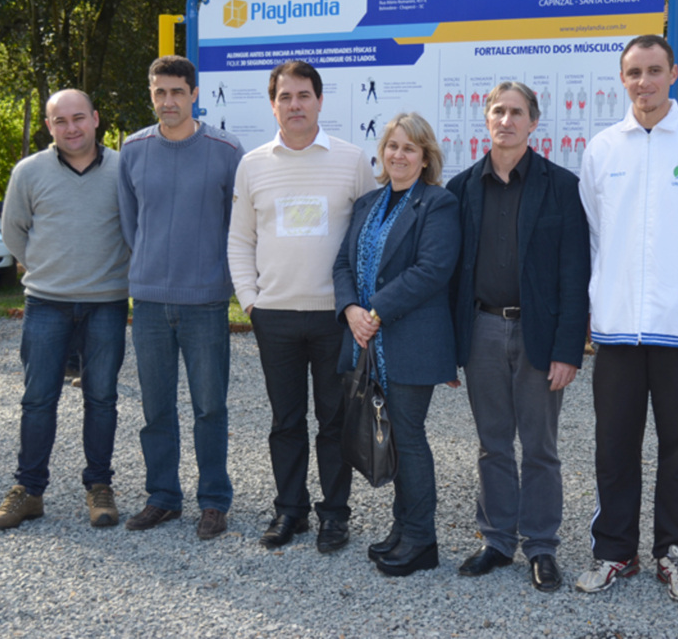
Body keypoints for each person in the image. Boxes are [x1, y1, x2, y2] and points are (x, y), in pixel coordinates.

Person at [576, 34, 678, 602]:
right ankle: (613, 551)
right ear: (621, 79)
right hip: (618, 329)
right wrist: (593, 309)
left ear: (674, 74)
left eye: (653, 70)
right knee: (613, 446)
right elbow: (596, 240)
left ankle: (676, 554)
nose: (643, 82)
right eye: (633, 72)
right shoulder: (602, 150)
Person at [447, 81, 590, 593]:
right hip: (481, 329)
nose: (506, 120)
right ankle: (497, 540)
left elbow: (575, 276)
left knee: (541, 447)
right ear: (485, 119)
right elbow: (450, 276)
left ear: (534, 122)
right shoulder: (461, 189)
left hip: (540, 333)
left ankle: (542, 546)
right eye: (497, 111)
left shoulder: (561, 186)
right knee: (491, 445)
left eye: (517, 113)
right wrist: (450, 350)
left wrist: (568, 349)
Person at [228, 61, 376, 554]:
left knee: (334, 422)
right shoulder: (253, 165)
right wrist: (251, 301)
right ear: (273, 104)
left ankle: (335, 515)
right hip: (275, 318)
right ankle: (289, 509)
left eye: (304, 96)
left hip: (336, 318)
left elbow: (370, 239)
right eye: (285, 96)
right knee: (285, 421)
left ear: (319, 101)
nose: (295, 105)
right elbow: (239, 239)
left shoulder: (352, 161)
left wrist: (359, 304)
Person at [0, 89, 129, 530]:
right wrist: (48, 270)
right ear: (50, 126)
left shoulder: (124, 169)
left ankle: (99, 487)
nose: (72, 128)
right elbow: (13, 232)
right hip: (46, 303)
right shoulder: (29, 171)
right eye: (61, 121)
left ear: (96, 119)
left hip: (106, 303)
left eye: (79, 118)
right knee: (37, 400)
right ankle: (28, 491)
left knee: (102, 398)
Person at [118, 55, 244, 540]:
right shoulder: (132, 150)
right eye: (159, 92)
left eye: (176, 92)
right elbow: (131, 223)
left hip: (206, 302)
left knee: (210, 406)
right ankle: (162, 497)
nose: (167, 101)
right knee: (156, 406)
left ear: (194, 93)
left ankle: (213, 501)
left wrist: (220, 279)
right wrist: (148, 266)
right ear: (151, 95)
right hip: (148, 301)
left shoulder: (225, 150)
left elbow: (237, 227)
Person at [333, 113, 460, 576]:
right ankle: (402, 530)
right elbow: (342, 265)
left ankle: (422, 541)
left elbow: (432, 270)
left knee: (408, 438)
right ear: (382, 153)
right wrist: (350, 310)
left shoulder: (438, 204)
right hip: (365, 339)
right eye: (392, 146)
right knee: (395, 438)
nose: (399, 155)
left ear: (425, 157)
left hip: (410, 341)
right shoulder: (368, 203)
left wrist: (376, 312)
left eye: (409, 148)